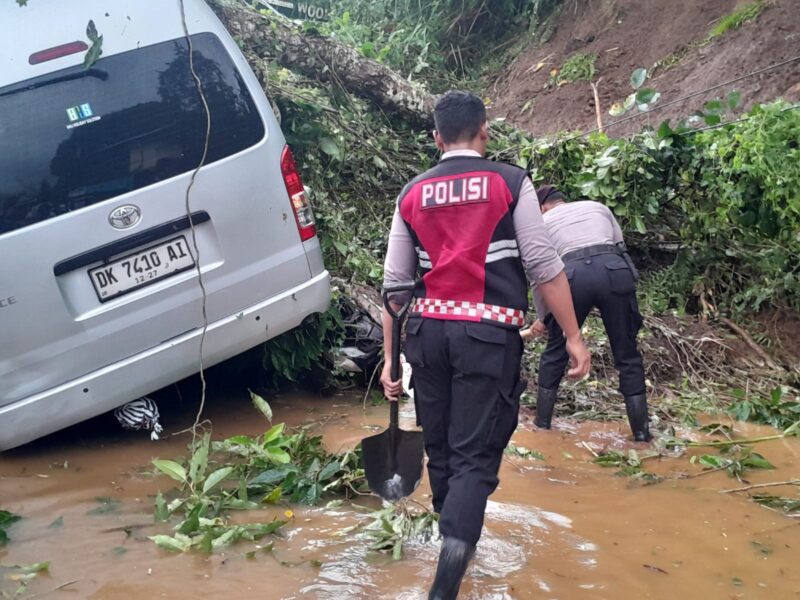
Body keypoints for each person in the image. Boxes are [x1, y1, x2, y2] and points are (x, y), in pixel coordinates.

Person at [380, 91, 591, 600]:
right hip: (487, 338)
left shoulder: (411, 193)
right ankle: (450, 571)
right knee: (474, 455)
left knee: (441, 448)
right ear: (484, 132)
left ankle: (451, 543)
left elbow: (394, 288)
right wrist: (573, 335)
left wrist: (390, 361)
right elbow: (543, 265)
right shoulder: (510, 182)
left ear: (436, 138)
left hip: (426, 338)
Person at [526, 185, 651, 442]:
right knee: (627, 354)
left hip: (572, 277)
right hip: (614, 271)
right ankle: (642, 435)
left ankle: (542, 426)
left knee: (556, 351)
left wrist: (544, 318)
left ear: (541, 207)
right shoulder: (597, 207)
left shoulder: (541, 223)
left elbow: (541, 277)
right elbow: (619, 247)